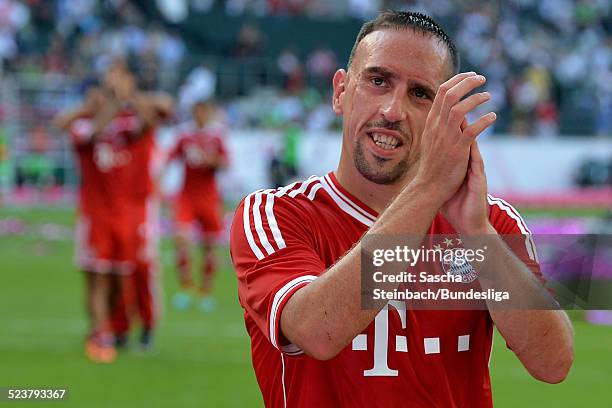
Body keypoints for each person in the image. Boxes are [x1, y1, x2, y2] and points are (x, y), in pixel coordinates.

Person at [229, 11, 574, 407]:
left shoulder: (490, 222)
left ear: (444, 116)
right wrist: (429, 190)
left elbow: (553, 364)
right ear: (340, 91)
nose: (393, 111)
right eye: (378, 81)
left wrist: (477, 236)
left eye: (420, 94)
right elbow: (317, 331)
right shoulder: (275, 214)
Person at [55, 60, 172, 361]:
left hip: (131, 210)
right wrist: (103, 103)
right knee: (97, 276)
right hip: (96, 213)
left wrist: (129, 97)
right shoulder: (88, 125)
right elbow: (75, 127)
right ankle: (101, 333)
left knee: (125, 277)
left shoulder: (128, 121)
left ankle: (124, 328)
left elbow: (157, 113)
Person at [168, 100, 228, 311]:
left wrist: (210, 160)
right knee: (181, 239)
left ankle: (206, 291)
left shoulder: (216, 137)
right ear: (194, 114)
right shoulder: (184, 137)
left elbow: (225, 164)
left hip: (209, 198)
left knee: (210, 246)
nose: (201, 117)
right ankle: (186, 288)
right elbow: (168, 158)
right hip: (187, 197)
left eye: (204, 113)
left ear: (209, 114)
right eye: (197, 113)